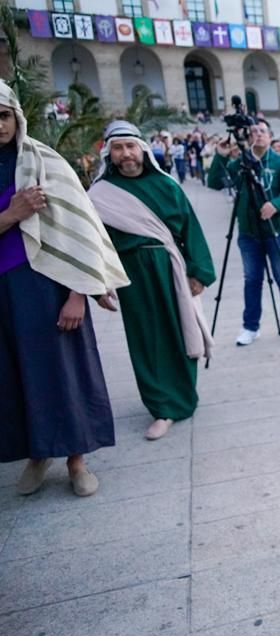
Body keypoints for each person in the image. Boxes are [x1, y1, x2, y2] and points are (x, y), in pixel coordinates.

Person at [0, 81, 128, 496]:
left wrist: (79, 293)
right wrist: (12, 213)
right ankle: (38, 454)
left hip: (50, 289)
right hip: (4, 293)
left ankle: (77, 461)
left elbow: (79, 229)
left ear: (16, 117)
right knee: (16, 375)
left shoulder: (44, 162)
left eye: (3, 115)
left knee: (65, 372)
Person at [88, 121, 217, 441]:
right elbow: (93, 243)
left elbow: (190, 228)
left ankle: (184, 398)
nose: (126, 154)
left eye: (131, 146)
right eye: (118, 148)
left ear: (143, 150)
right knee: (147, 339)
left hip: (169, 267)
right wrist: (99, 284)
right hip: (132, 275)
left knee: (179, 332)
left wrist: (198, 271)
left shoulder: (168, 186)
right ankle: (162, 407)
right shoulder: (100, 194)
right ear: (109, 154)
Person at [206, 118, 280, 345]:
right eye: (253, 131)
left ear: (269, 135)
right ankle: (251, 327)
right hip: (249, 233)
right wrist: (220, 156)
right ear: (248, 136)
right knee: (252, 279)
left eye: (262, 131)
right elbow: (215, 183)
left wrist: (276, 204)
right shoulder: (240, 162)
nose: (258, 134)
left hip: (277, 230)